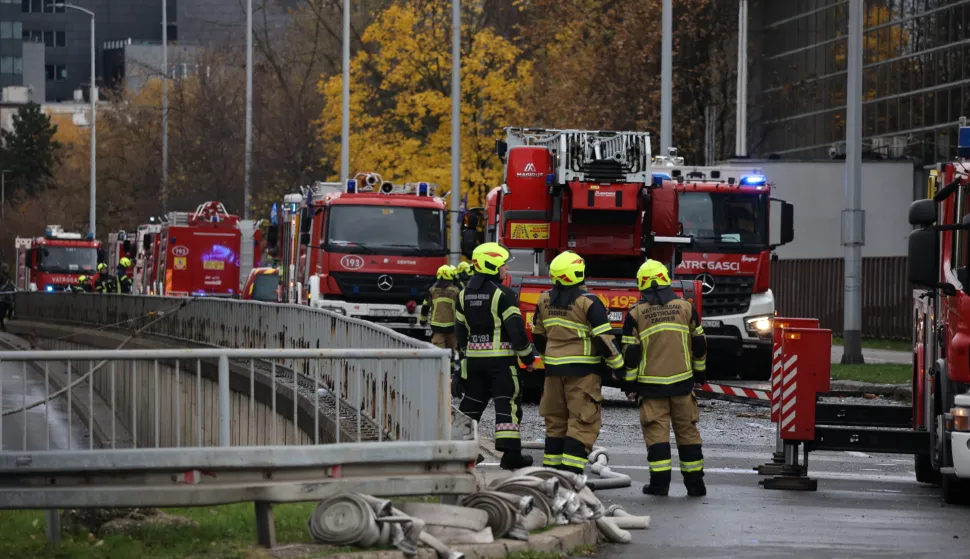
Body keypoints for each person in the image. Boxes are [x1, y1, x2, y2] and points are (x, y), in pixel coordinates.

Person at [621, 259, 708, 497]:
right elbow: (699, 343)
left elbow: (631, 354)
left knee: (656, 435)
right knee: (688, 433)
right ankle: (696, 485)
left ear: (641, 284)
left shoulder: (636, 314)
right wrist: (699, 372)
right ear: (666, 280)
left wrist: (629, 383)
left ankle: (659, 485)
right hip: (682, 385)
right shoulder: (686, 308)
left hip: (651, 389)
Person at [531, 251, 623, 474]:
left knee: (555, 423)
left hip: (553, 373)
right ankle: (571, 476)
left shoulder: (544, 299)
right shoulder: (588, 302)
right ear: (579, 273)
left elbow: (538, 335)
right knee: (582, 422)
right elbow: (604, 339)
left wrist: (548, 359)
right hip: (582, 375)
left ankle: (552, 475)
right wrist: (619, 366)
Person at [455, 242, 537, 470]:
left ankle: (461, 453)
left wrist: (463, 362)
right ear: (491, 266)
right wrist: (528, 358)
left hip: (473, 362)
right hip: (501, 362)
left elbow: (460, 332)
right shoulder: (503, 294)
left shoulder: (463, 295)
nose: (506, 270)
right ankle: (510, 455)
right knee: (507, 403)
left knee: (471, 405)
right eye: (503, 266)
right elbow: (516, 331)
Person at [419, 264, 460, 350]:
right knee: (451, 351)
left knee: (439, 352)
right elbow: (461, 308)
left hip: (436, 326)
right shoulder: (456, 291)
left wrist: (423, 320)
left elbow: (425, 306)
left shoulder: (432, 290)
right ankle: (451, 363)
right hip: (452, 326)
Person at [0, 265, 13, 331]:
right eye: (7, 268)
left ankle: (8, 320)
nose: (8, 270)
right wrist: (6, 284)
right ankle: (2, 325)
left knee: (11, 307)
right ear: (4, 269)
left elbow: (10, 284)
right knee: (2, 311)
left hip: (8, 296)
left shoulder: (9, 276)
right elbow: (1, 286)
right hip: (2, 296)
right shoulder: (1, 276)